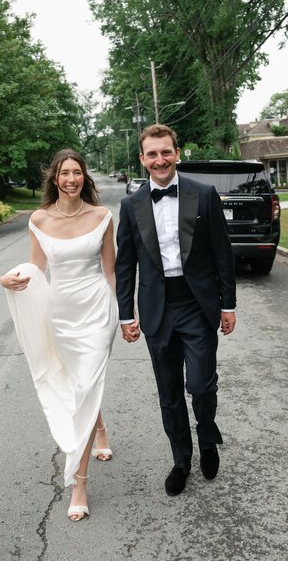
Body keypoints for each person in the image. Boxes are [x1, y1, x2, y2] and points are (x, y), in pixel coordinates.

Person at [115, 124, 236, 496]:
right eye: (152, 154)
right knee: (168, 393)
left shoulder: (203, 194)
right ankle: (181, 460)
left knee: (200, 385)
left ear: (177, 153)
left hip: (197, 306)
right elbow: (126, 264)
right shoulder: (131, 204)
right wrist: (126, 314)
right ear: (142, 159)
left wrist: (227, 304)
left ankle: (207, 438)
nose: (160, 159)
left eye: (165, 152)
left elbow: (222, 253)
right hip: (157, 309)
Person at [0, 149, 118, 521]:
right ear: (55, 178)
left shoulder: (102, 216)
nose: (71, 179)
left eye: (77, 172)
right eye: (65, 173)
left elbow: (111, 270)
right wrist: (9, 280)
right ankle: (98, 427)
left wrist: (123, 313)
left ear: (85, 178)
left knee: (87, 382)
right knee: (79, 383)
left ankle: (79, 483)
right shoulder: (39, 219)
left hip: (97, 310)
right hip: (61, 313)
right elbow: (36, 268)